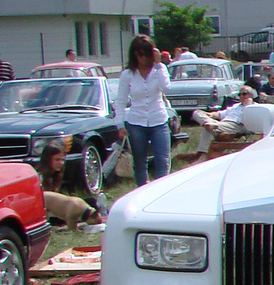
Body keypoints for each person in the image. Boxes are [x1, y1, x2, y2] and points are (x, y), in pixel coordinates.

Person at [115, 34, 172, 186]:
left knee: (162, 159)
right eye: (139, 54)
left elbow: (166, 87)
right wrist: (119, 124)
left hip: (158, 119)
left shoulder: (159, 70)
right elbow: (120, 100)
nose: (143, 58)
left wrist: (159, 64)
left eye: (146, 54)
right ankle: (142, 191)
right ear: (134, 54)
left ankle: (160, 190)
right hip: (136, 122)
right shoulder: (128, 74)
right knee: (140, 161)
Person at [36, 141, 107, 230]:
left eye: (63, 160)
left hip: (62, 208)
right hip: (49, 212)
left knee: (91, 201)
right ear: (47, 160)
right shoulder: (39, 177)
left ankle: (96, 218)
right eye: (57, 160)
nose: (61, 163)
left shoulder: (58, 175)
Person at [194, 85, 259, 156]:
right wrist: (211, 115)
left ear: (251, 95)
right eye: (239, 94)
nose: (241, 96)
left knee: (207, 130)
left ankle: (201, 155)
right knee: (197, 112)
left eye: (244, 94)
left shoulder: (256, 107)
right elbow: (220, 114)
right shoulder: (236, 106)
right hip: (223, 123)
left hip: (237, 125)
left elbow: (251, 120)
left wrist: (248, 106)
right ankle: (208, 123)